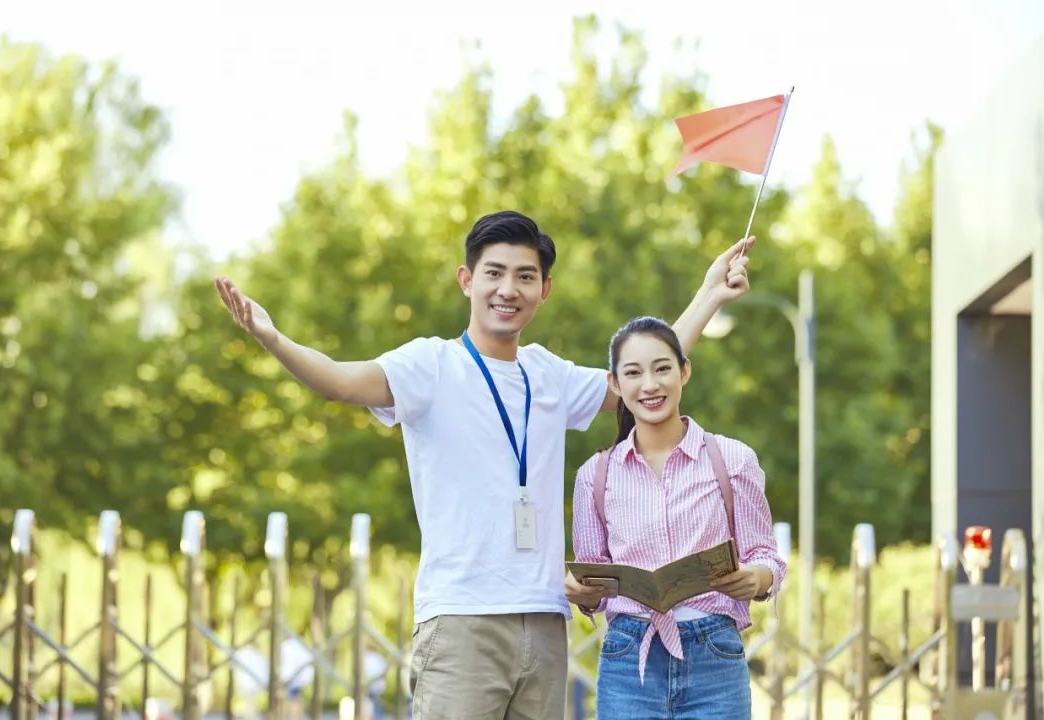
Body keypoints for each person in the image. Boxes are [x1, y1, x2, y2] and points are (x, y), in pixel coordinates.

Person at [215, 210, 752, 719]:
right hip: (461, 621)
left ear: (543, 290)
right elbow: (338, 381)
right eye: (494, 273)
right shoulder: (430, 364)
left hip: (544, 623)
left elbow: (643, 374)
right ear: (466, 280)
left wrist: (709, 295)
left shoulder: (549, 375)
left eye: (525, 276)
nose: (508, 289)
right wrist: (272, 337)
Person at [567, 316, 785, 719]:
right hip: (628, 656)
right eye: (633, 373)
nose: (649, 385)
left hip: (714, 652)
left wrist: (755, 578)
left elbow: (766, 555)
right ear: (615, 385)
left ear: (684, 371)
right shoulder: (594, 476)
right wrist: (582, 592)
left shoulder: (732, 459)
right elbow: (594, 575)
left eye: (662, 368)